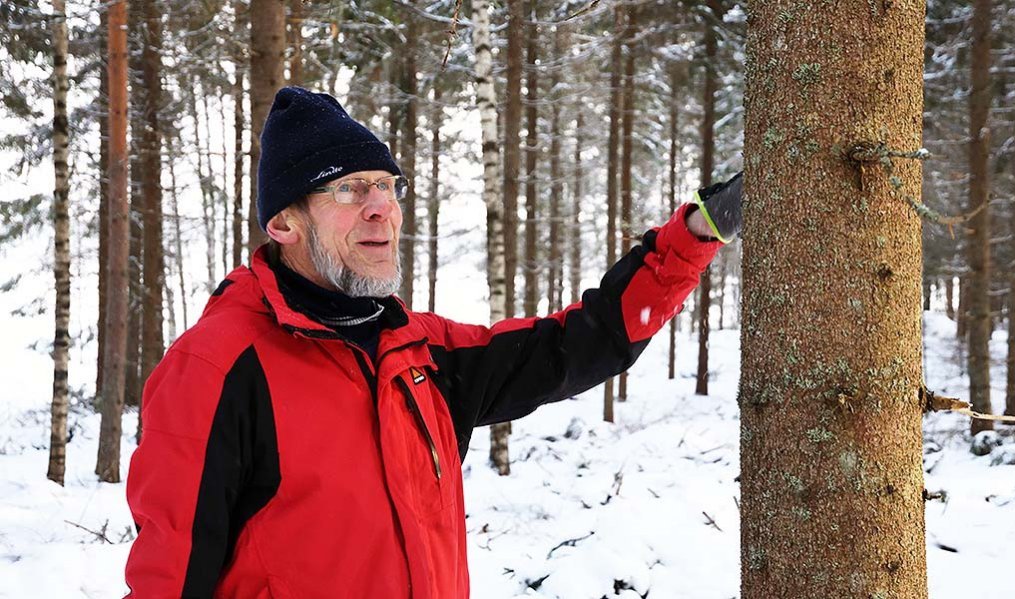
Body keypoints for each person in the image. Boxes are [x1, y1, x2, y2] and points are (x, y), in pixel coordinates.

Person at [122, 86, 743, 598]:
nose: (379, 209)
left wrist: (694, 233)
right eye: (347, 189)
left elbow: (588, 340)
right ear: (283, 222)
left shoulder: (420, 352)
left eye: (387, 186)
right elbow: (168, 581)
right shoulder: (218, 367)